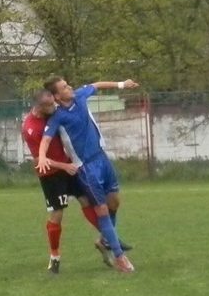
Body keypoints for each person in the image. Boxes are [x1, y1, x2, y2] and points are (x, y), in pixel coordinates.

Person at [36, 76, 137, 273]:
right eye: (65, 87)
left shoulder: (80, 95)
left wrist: (121, 84)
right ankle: (119, 257)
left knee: (114, 202)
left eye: (68, 84)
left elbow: (97, 85)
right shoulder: (58, 117)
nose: (70, 87)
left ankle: (106, 240)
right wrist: (41, 157)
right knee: (102, 211)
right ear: (57, 96)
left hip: (102, 159)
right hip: (86, 169)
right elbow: (46, 140)